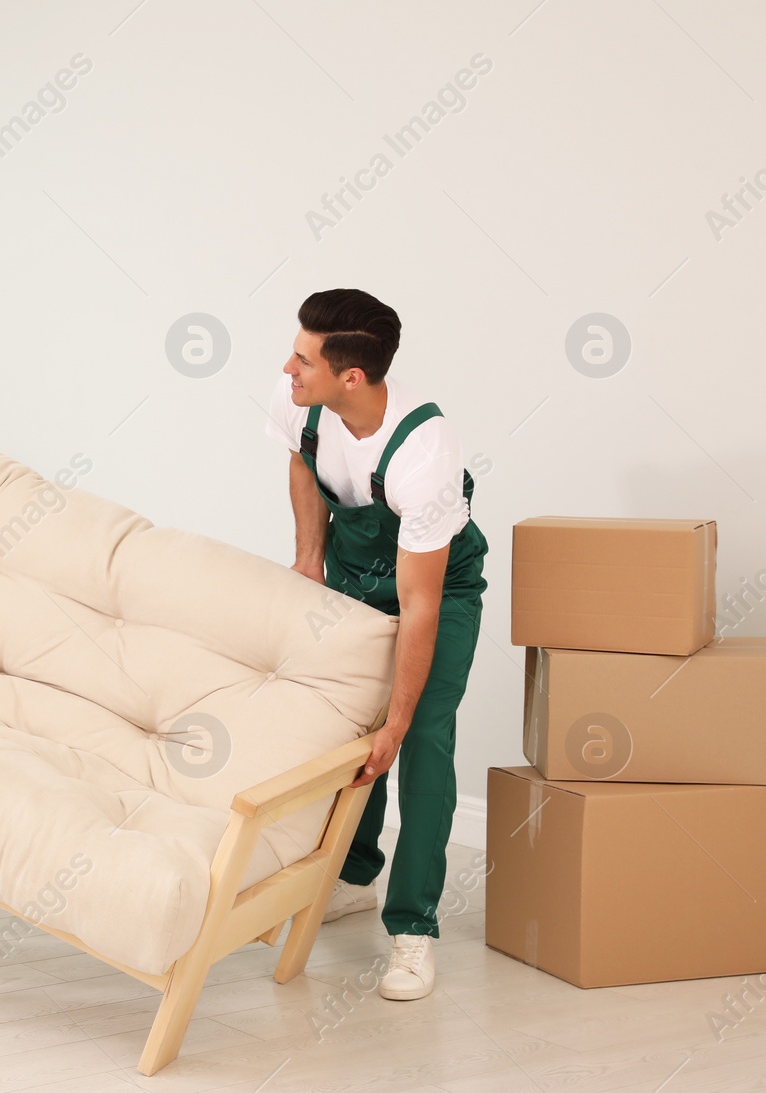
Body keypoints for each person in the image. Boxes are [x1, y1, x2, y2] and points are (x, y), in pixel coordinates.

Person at [263, 288, 487, 1000]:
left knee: (417, 737)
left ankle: (414, 928)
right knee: (349, 726)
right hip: (356, 574)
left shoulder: (424, 453)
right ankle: (355, 874)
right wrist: (308, 559)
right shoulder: (300, 397)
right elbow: (303, 461)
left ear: (350, 377)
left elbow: (419, 604)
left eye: (304, 358)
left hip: (437, 590)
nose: (288, 367)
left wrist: (396, 718)